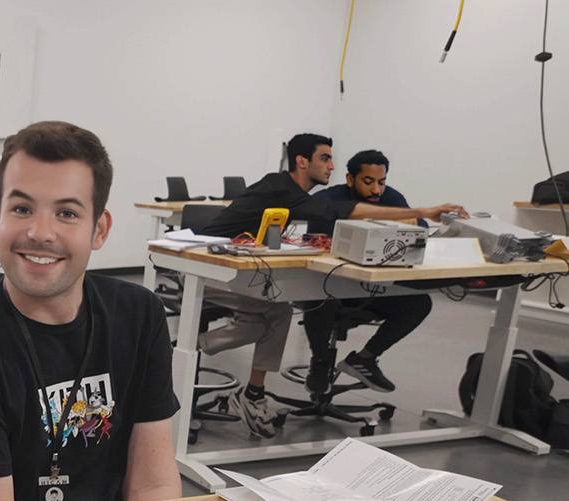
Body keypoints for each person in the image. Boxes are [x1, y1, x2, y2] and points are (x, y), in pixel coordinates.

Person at [0, 121, 182, 501]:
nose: (41, 232)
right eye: (22, 209)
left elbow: (154, 485)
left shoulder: (139, 316)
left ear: (99, 229)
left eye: (67, 213)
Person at [199, 134, 465, 424]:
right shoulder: (280, 189)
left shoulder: (288, 192)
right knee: (277, 312)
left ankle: (251, 393)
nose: (331, 166)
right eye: (324, 158)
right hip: (208, 268)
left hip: (237, 269)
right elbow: (335, 211)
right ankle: (188, 348)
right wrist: (424, 211)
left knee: (275, 312)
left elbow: (264, 235)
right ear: (302, 161)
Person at [301, 149, 433, 393]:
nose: (376, 190)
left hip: (371, 286)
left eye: (381, 182)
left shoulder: (391, 197)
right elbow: (318, 240)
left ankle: (365, 358)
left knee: (419, 303)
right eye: (368, 182)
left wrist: (410, 221)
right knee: (319, 297)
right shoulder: (329, 199)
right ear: (351, 179)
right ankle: (319, 361)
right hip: (331, 286)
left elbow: (420, 224)